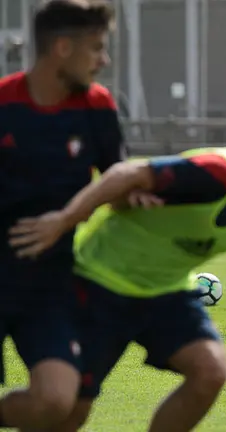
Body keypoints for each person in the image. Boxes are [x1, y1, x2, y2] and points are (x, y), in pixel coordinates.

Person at [8, 125, 226, 432]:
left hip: (165, 289)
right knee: (63, 414)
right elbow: (127, 172)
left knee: (209, 370)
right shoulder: (221, 174)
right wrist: (65, 219)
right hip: (101, 283)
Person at [0, 1, 123, 429]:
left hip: (47, 284)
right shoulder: (4, 103)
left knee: (56, 401)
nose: (103, 60)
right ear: (62, 48)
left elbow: (118, 180)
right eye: (96, 49)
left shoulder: (97, 105)